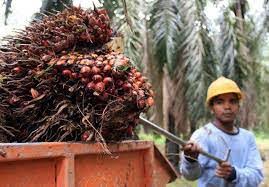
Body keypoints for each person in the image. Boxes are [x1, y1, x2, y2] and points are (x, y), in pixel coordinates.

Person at [180, 76, 264, 187]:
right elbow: (190, 176)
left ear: (238, 106)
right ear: (211, 107)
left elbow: (257, 175)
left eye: (232, 101)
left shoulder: (248, 138)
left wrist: (234, 174)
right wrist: (190, 159)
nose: (227, 107)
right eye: (220, 102)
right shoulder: (203, 135)